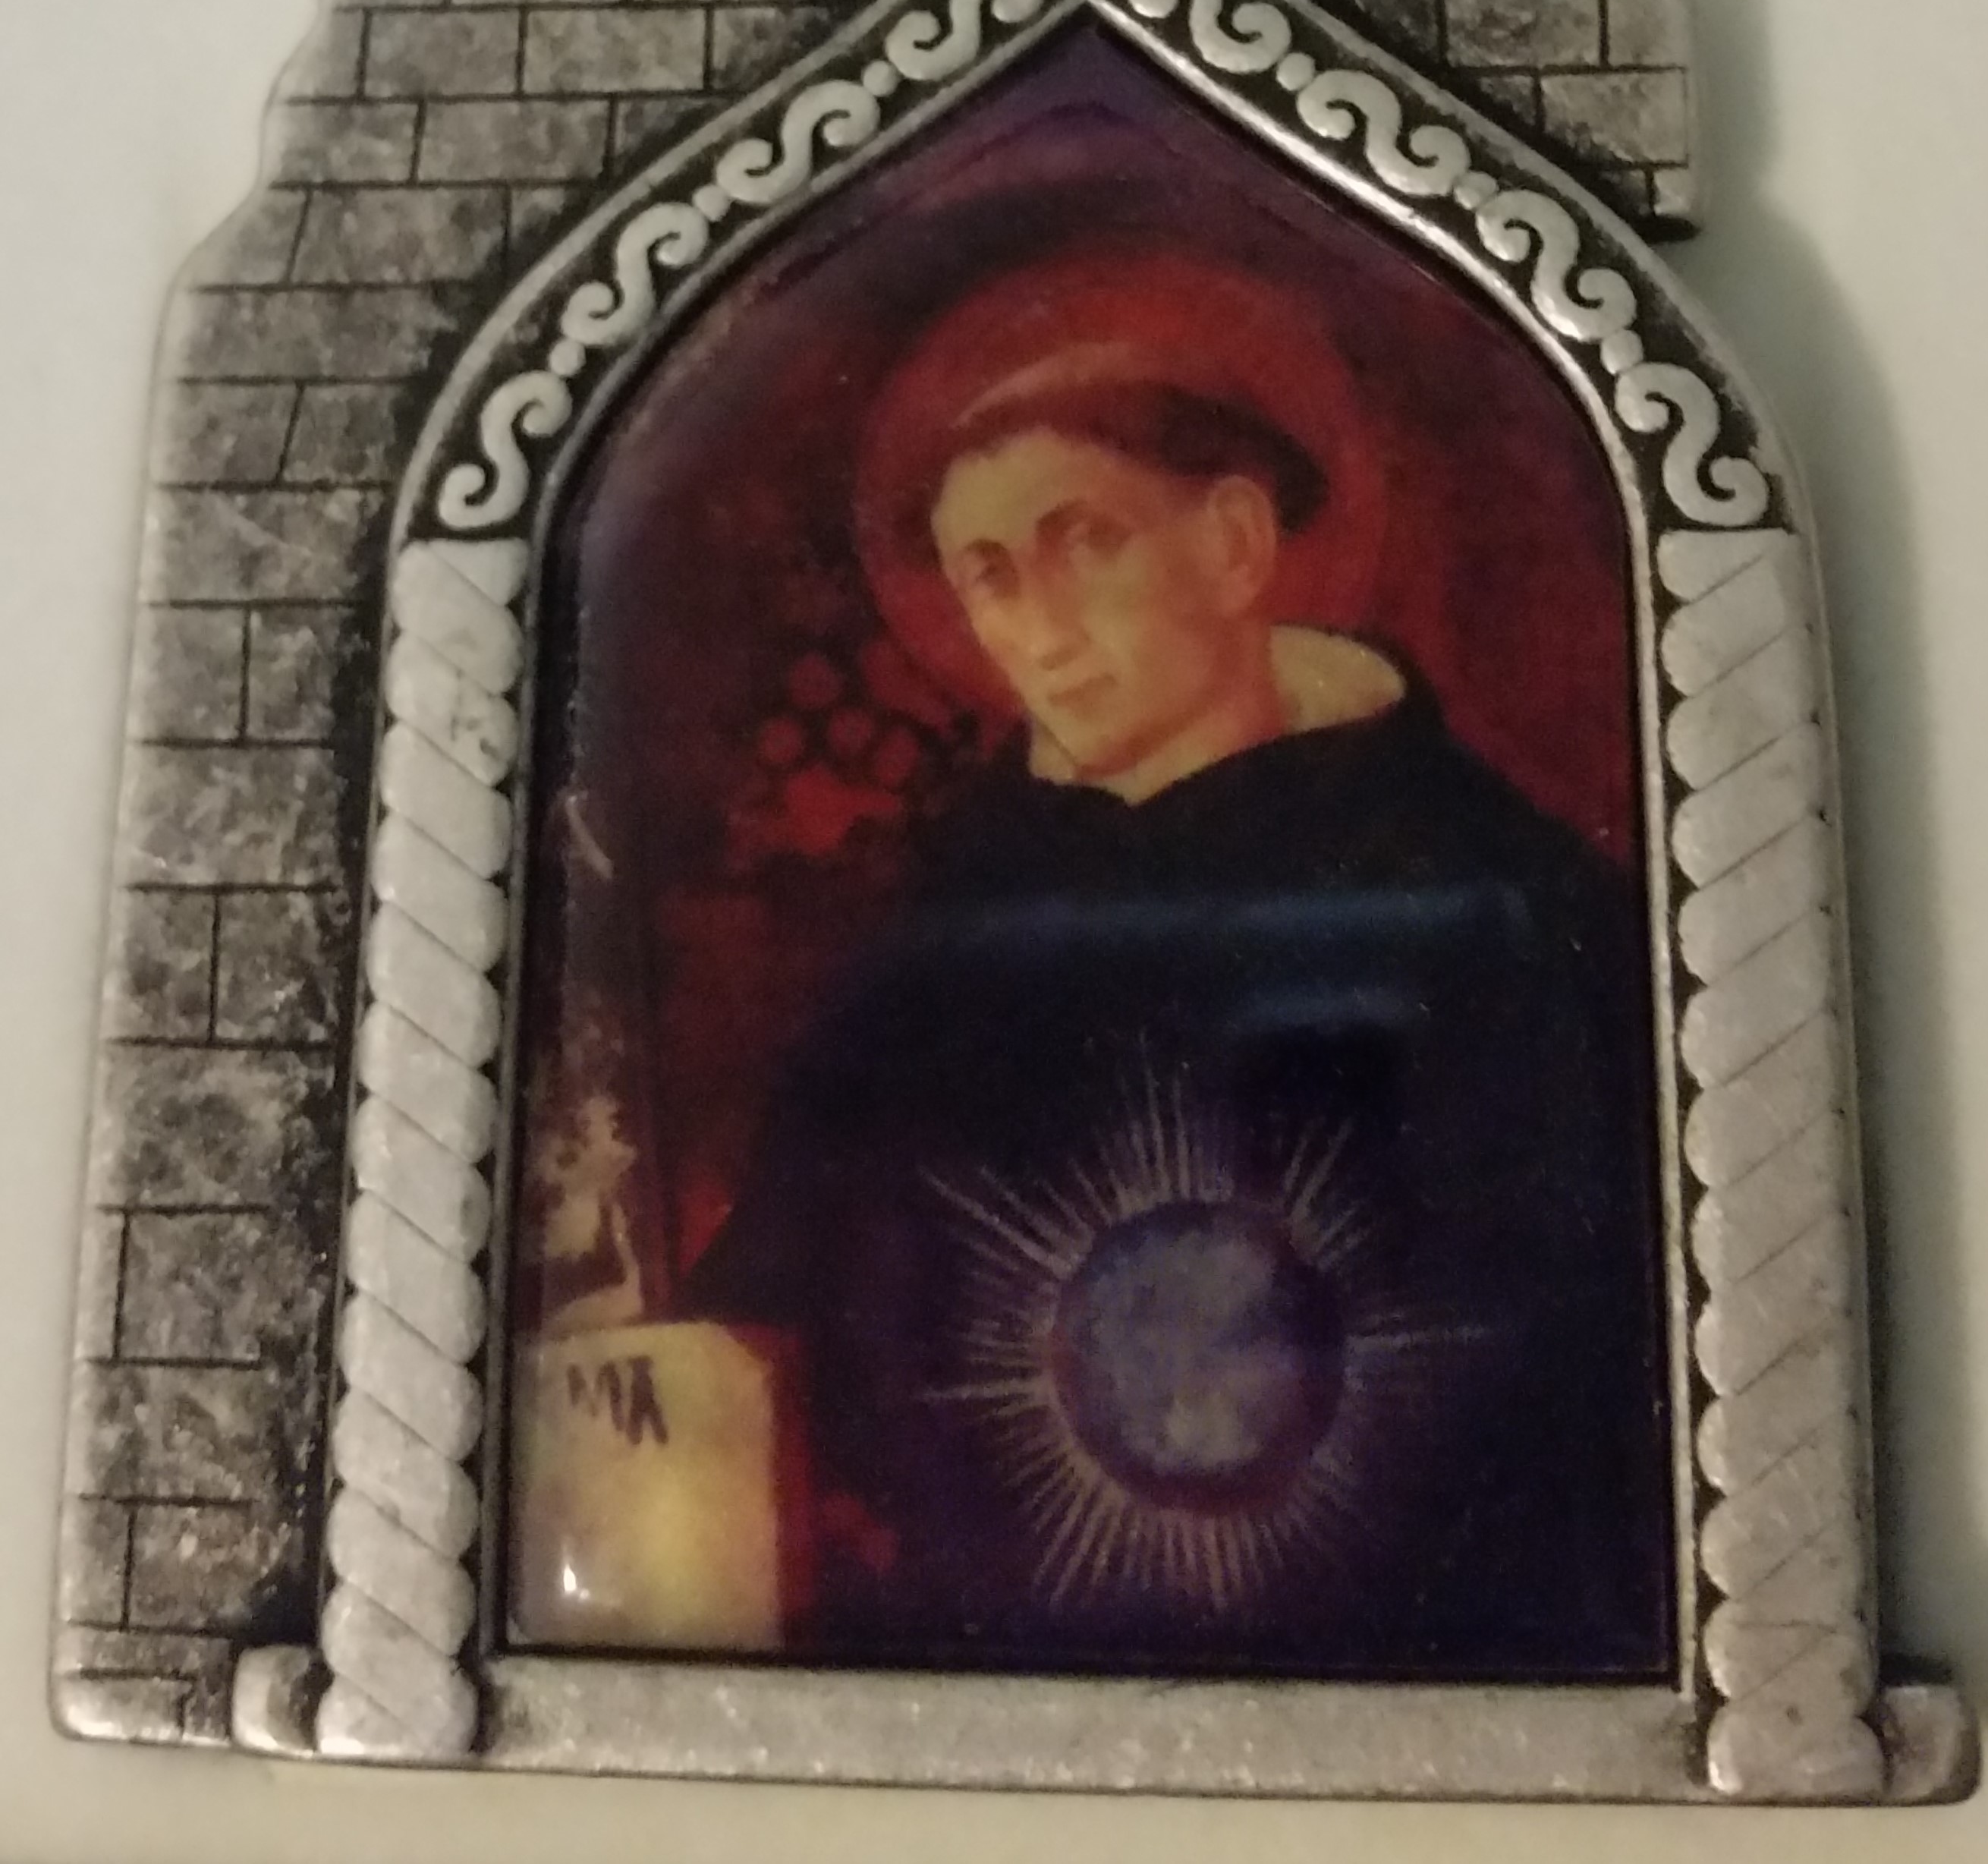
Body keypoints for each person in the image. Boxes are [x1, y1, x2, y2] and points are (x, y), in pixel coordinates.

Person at [679, 247, 1672, 1679]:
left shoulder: (1500, 905)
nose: (1040, 625)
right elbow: (767, 1320)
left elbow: (1608, 1366)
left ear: (1233, 546)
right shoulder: (932, 947)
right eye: (990, 576)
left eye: (1085, 542)